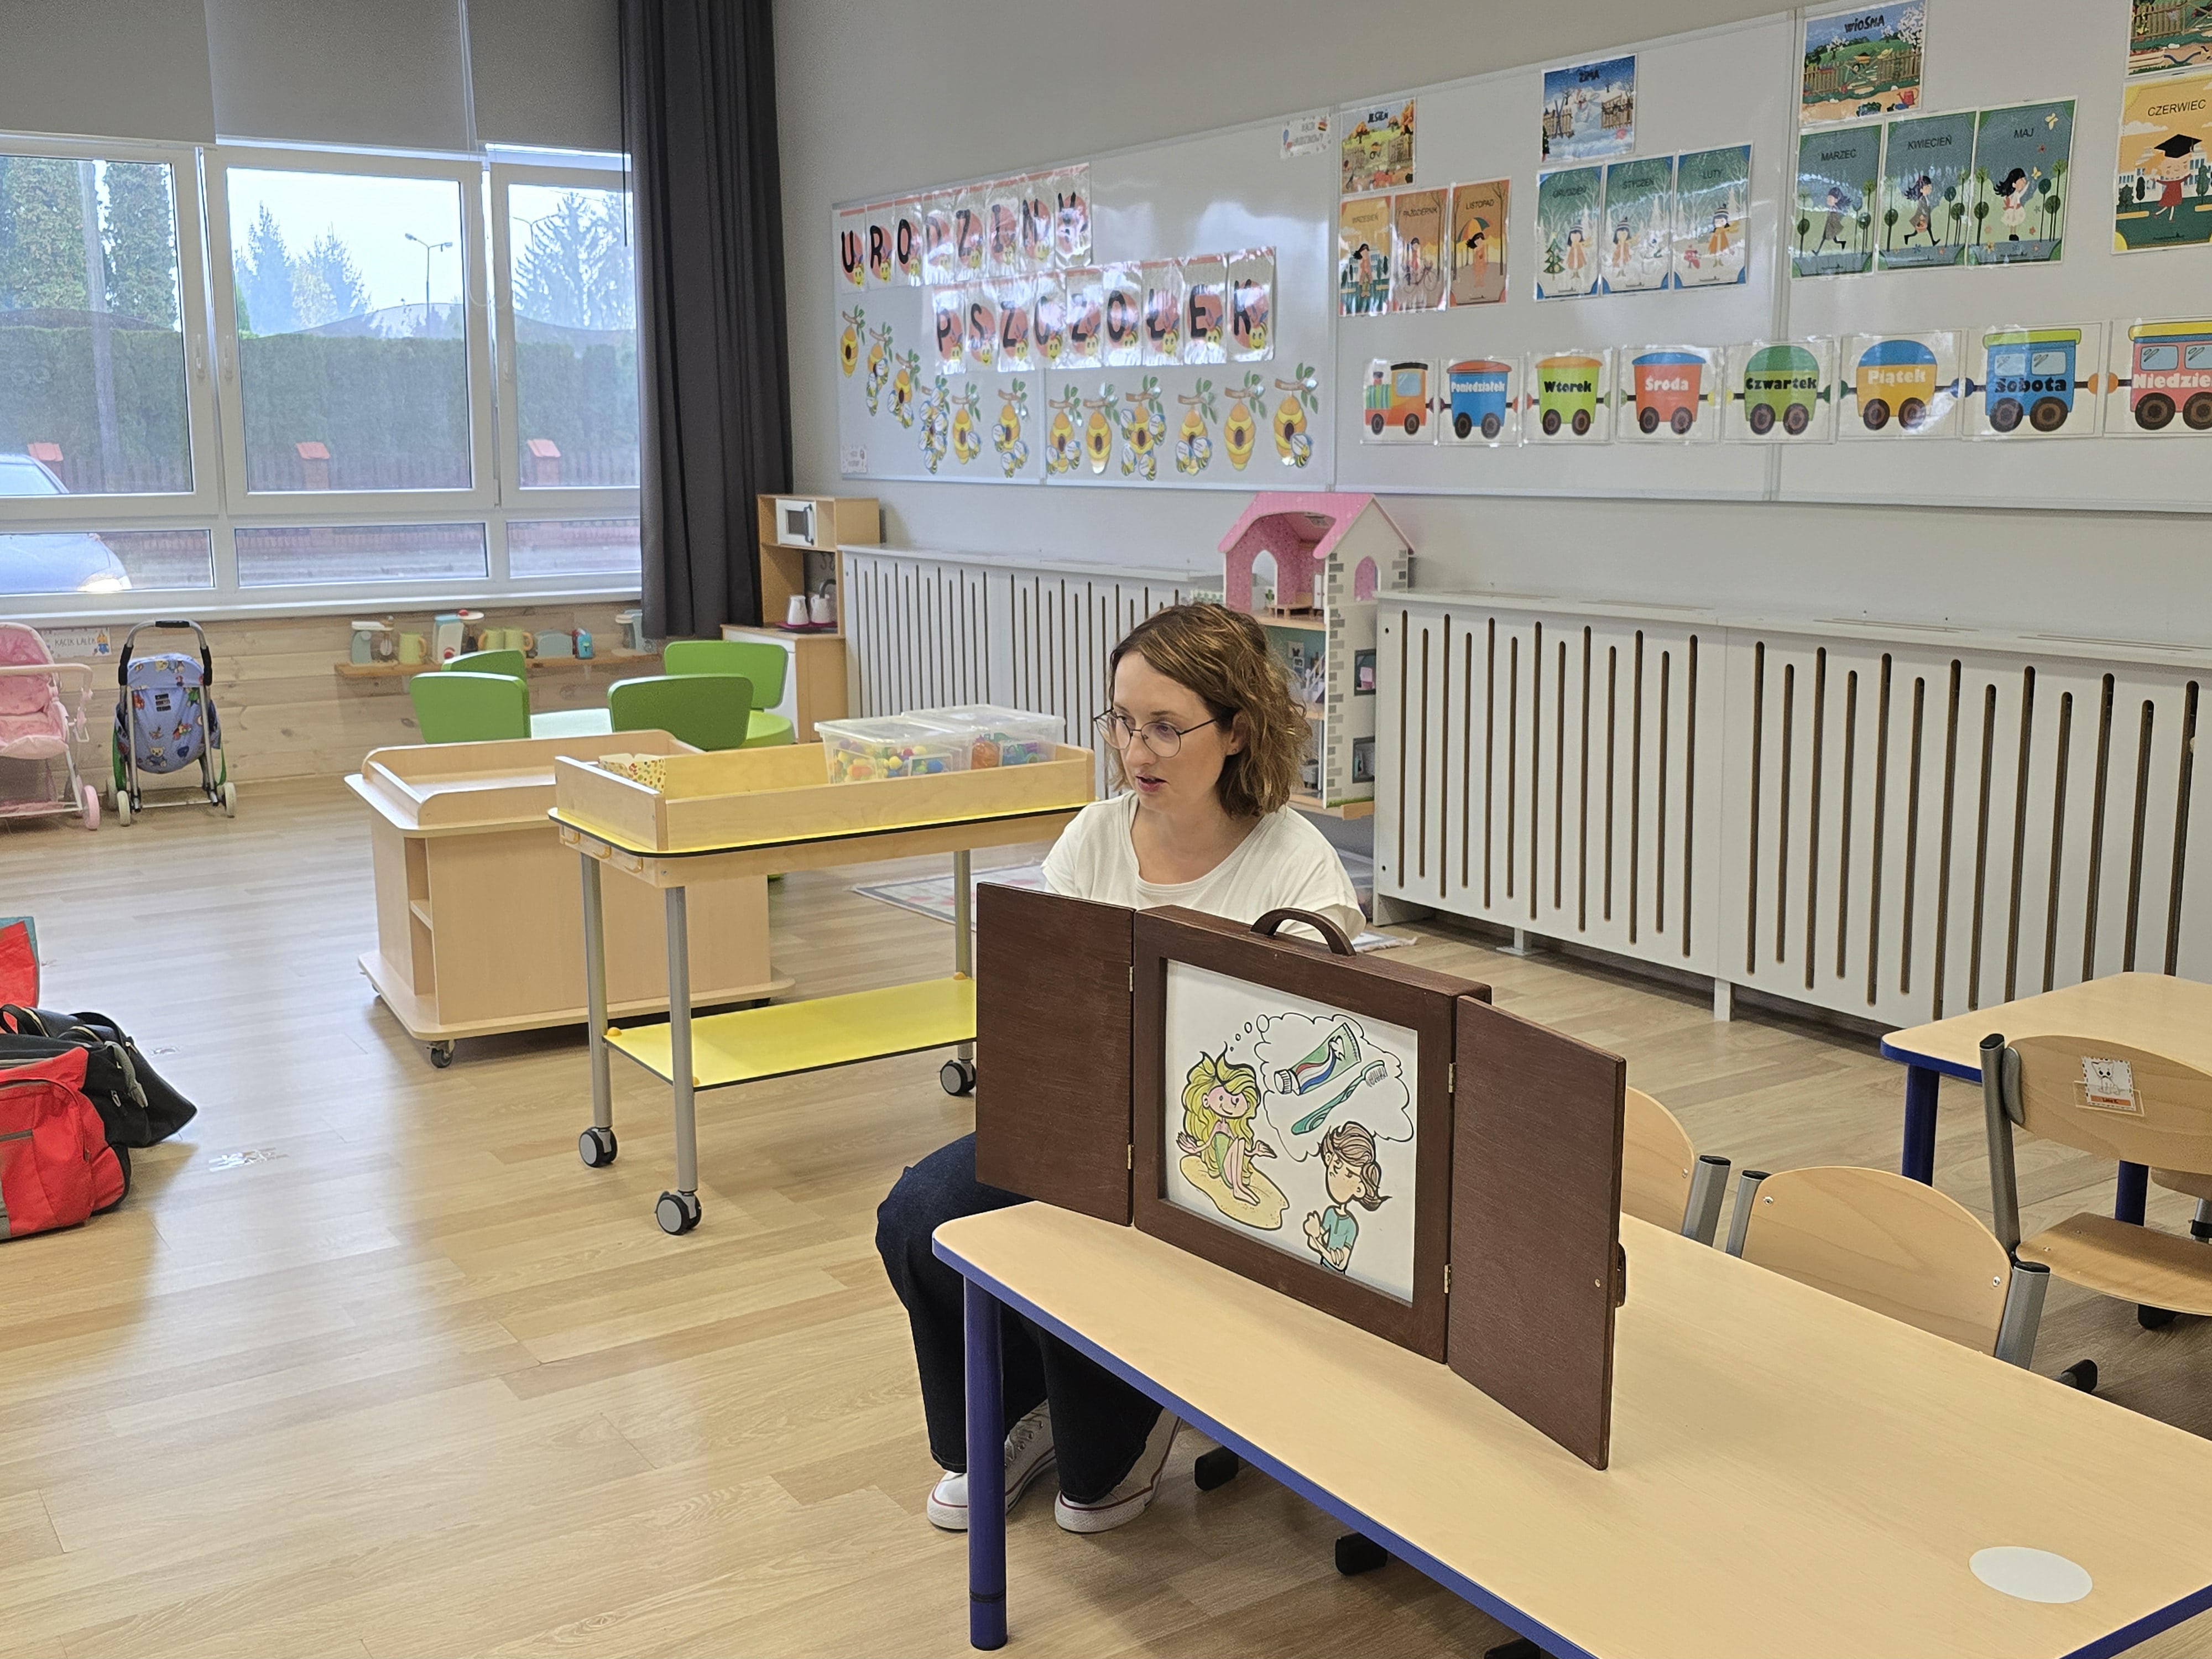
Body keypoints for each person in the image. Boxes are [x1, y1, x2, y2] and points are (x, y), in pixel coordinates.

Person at [875, 603, 1364, 1538]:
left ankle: (1118, 1427)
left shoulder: (1298, 871)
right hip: (1094, 1130)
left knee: (1092, 1490)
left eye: (1166, 728)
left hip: (1218, 1165)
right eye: (1124, 722)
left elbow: (1310, 1069)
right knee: (920, 1212)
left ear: (1237, 732)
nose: (1137, 751)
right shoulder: (1095, 835)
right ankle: (1010, 1418)